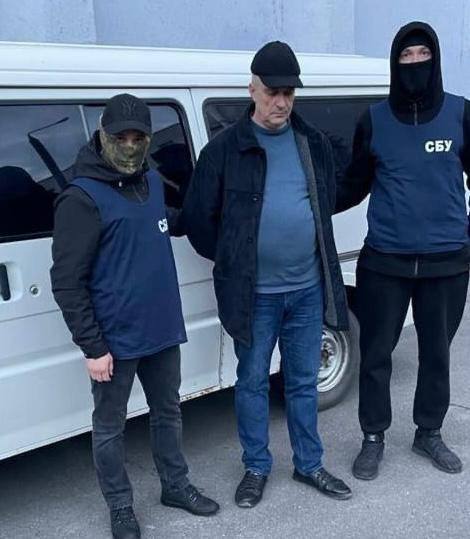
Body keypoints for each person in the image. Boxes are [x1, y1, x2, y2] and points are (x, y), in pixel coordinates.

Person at [183, 41, 352, 508]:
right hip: (254, 295)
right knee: (253, 381)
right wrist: (234, 257)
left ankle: (309, 463)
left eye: (289, 93)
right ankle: (256, 466)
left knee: (302, 381)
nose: (281, 102)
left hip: (307, 289)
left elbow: (331, 197)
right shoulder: (225, 150)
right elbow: (198, 219)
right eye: (272, 92)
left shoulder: (311, 144)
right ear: (252, 89)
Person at [50, 93, 219, 539]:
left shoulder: (152, 182)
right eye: (120, 137)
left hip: (161, 328)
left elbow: (163, 221)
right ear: (102, 136)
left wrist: (210, 208)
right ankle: (121, 507)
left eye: (138, 137)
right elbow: (67, 282)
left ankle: (175, 486)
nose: (129, 145)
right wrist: (93, 347)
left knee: (168, 413)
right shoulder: (81, 198)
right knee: (110, 428)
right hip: (113, 340)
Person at [336, 22, 470, 480]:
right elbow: (352, 184)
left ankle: (428, 431)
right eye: (405, 56)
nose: (414, 63)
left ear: (435, 59)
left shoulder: (460, 114)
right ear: (395, 64)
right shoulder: (373, 120)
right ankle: (373, 436)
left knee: (436, 354)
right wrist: (307, 201)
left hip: (446, 263)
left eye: (422, 55)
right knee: (376, 355)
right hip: (385, 263)